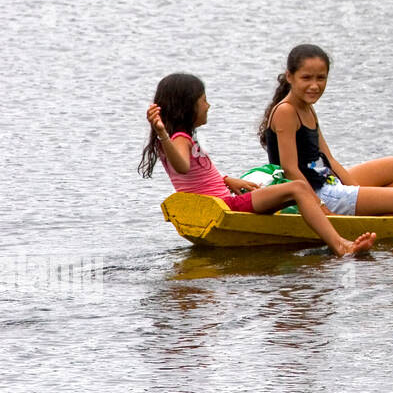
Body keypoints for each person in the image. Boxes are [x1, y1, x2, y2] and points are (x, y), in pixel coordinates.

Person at [140, 73, 376, 256]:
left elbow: (194, 176)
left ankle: (319, 228)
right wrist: (161, 132)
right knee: (298, 188)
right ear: (187, 106)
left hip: (225, 196)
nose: (208, 105)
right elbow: (182, 166)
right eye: (203, 101)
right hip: (228, 205)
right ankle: (340, 246)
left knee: (285, 188)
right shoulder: (178, 138)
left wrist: (226, 179)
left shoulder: (179, 138)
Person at [258, 44, 393, 216]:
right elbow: (290, 170)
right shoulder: (286, 111)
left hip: (326, 181)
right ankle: (371, 218)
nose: (314, 86)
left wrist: (356, 191)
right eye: (306, 78)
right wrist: (319, 207)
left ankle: (371, 218)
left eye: (321, 78)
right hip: (309, 193)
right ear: (290, 76)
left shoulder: (307, 107)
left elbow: (330, 160)